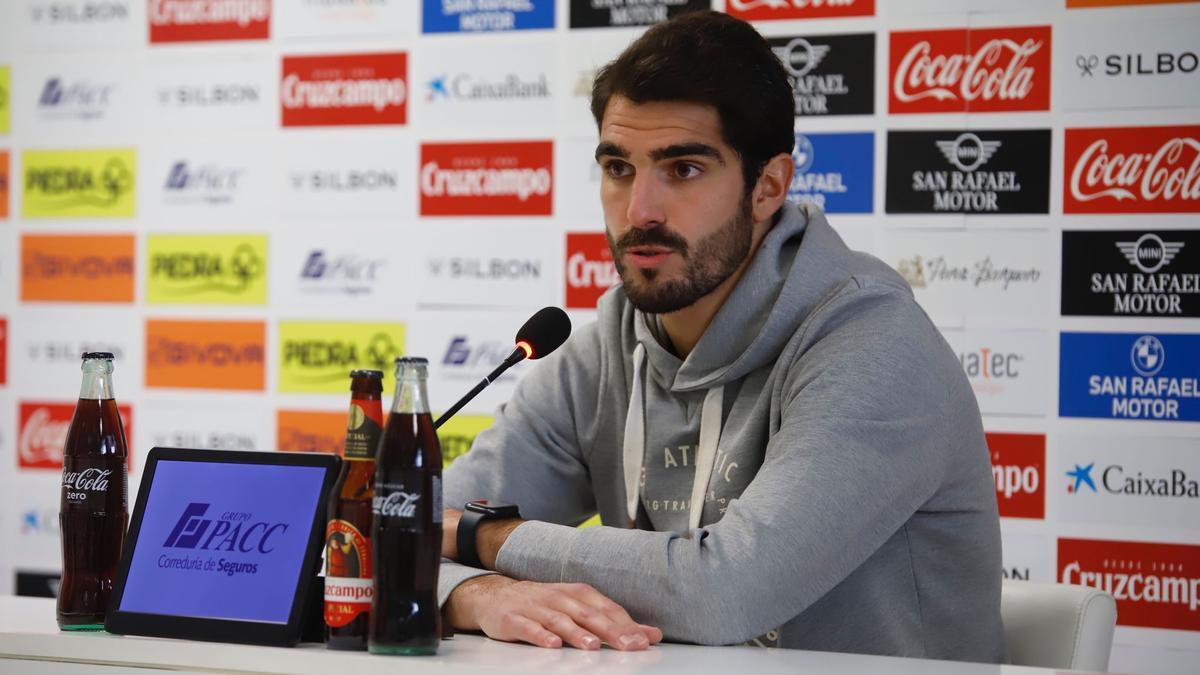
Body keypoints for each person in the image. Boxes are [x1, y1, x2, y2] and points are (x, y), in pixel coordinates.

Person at [435, 10, 1005, 662]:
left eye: (682, 169)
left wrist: (487, 539)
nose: (640, 209)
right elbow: (392, 528)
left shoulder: (875, 345)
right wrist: (475, 592)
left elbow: (726, 592)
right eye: (619, 167)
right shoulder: (603, 352)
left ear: (768, 187)